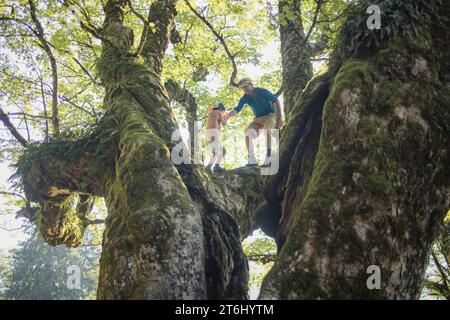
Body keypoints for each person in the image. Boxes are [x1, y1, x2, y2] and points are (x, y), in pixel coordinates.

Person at [226, 78, 284, 167]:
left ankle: (268, 157)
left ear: (251, 85)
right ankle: (252, 160)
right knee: (247, 133)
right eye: (242, 88)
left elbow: (275, 100)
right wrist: (227, 116)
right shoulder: (245, 98)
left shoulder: (262, 91)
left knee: (267, 130)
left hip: (270, 116)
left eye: (246, 86)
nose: (244, 89)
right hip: (258, 120)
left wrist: (279, 117)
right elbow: (237, 109)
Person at [205, 102, 227, 173]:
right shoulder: (218, 112)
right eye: (223, 110)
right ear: (220, 109)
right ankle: (209, 166)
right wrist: (226, 116)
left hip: (208, 134)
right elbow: (224, 123)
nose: (223, 112)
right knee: (217, 152)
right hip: (214, 133)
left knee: (222, 150)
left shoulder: (211, 113)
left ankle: (216, 166)